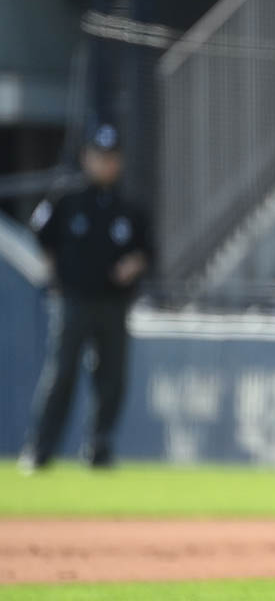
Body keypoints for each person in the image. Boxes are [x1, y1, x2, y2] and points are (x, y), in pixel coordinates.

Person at [19, 124, 152, 471]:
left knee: (111, 378)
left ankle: (99, 448)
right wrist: (54, 275)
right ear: (86, 157)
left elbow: (147, 251)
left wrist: (132, 265)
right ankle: (39, 449)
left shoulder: (129, 207)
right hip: (74, 301)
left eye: (112, 157)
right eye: (99, 156)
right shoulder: (67, 199)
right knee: (61, 375)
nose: (105, 163)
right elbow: (41, 235)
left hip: (113, 303)